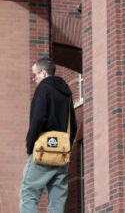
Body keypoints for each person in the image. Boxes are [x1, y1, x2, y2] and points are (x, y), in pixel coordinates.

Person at [19, 57, 77, 212]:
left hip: (43, 150)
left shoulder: (43, 89)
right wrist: (66, 146)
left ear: (43, 73)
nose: (34, 79)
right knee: (57, 198)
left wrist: (30, 146)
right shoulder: (67, 93)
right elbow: (74, 125)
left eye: (34, 75)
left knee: (28, 193)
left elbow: (38, 119)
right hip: (62, 153)